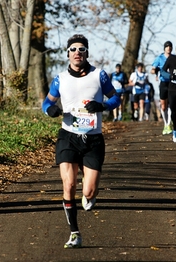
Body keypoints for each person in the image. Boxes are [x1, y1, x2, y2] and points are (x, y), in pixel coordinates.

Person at [41, 34, 120, 248]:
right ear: (68, 54)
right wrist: (51, 110)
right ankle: (75, 233)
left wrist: (102, 106)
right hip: (68, 136)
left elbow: (115, 98)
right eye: (74, 49)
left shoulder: (99, 76)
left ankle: (90, 193)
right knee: (68, 184)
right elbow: (46, 103)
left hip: (93, 139)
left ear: (87, 53)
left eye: (82, 49)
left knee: (88, 191)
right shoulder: (60, 79)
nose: (78, 52)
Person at [151, 41, 173, 134]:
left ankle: (168, 124)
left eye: (170, 47)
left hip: (172, 83)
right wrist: (154, 70)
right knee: (163, 106)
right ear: (164, 48)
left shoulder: (174, 58)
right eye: (167, 47)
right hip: (163, 83)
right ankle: (165, 124)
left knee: (171, 104)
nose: (168, 48)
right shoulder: (159, 58)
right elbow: (152, 70)